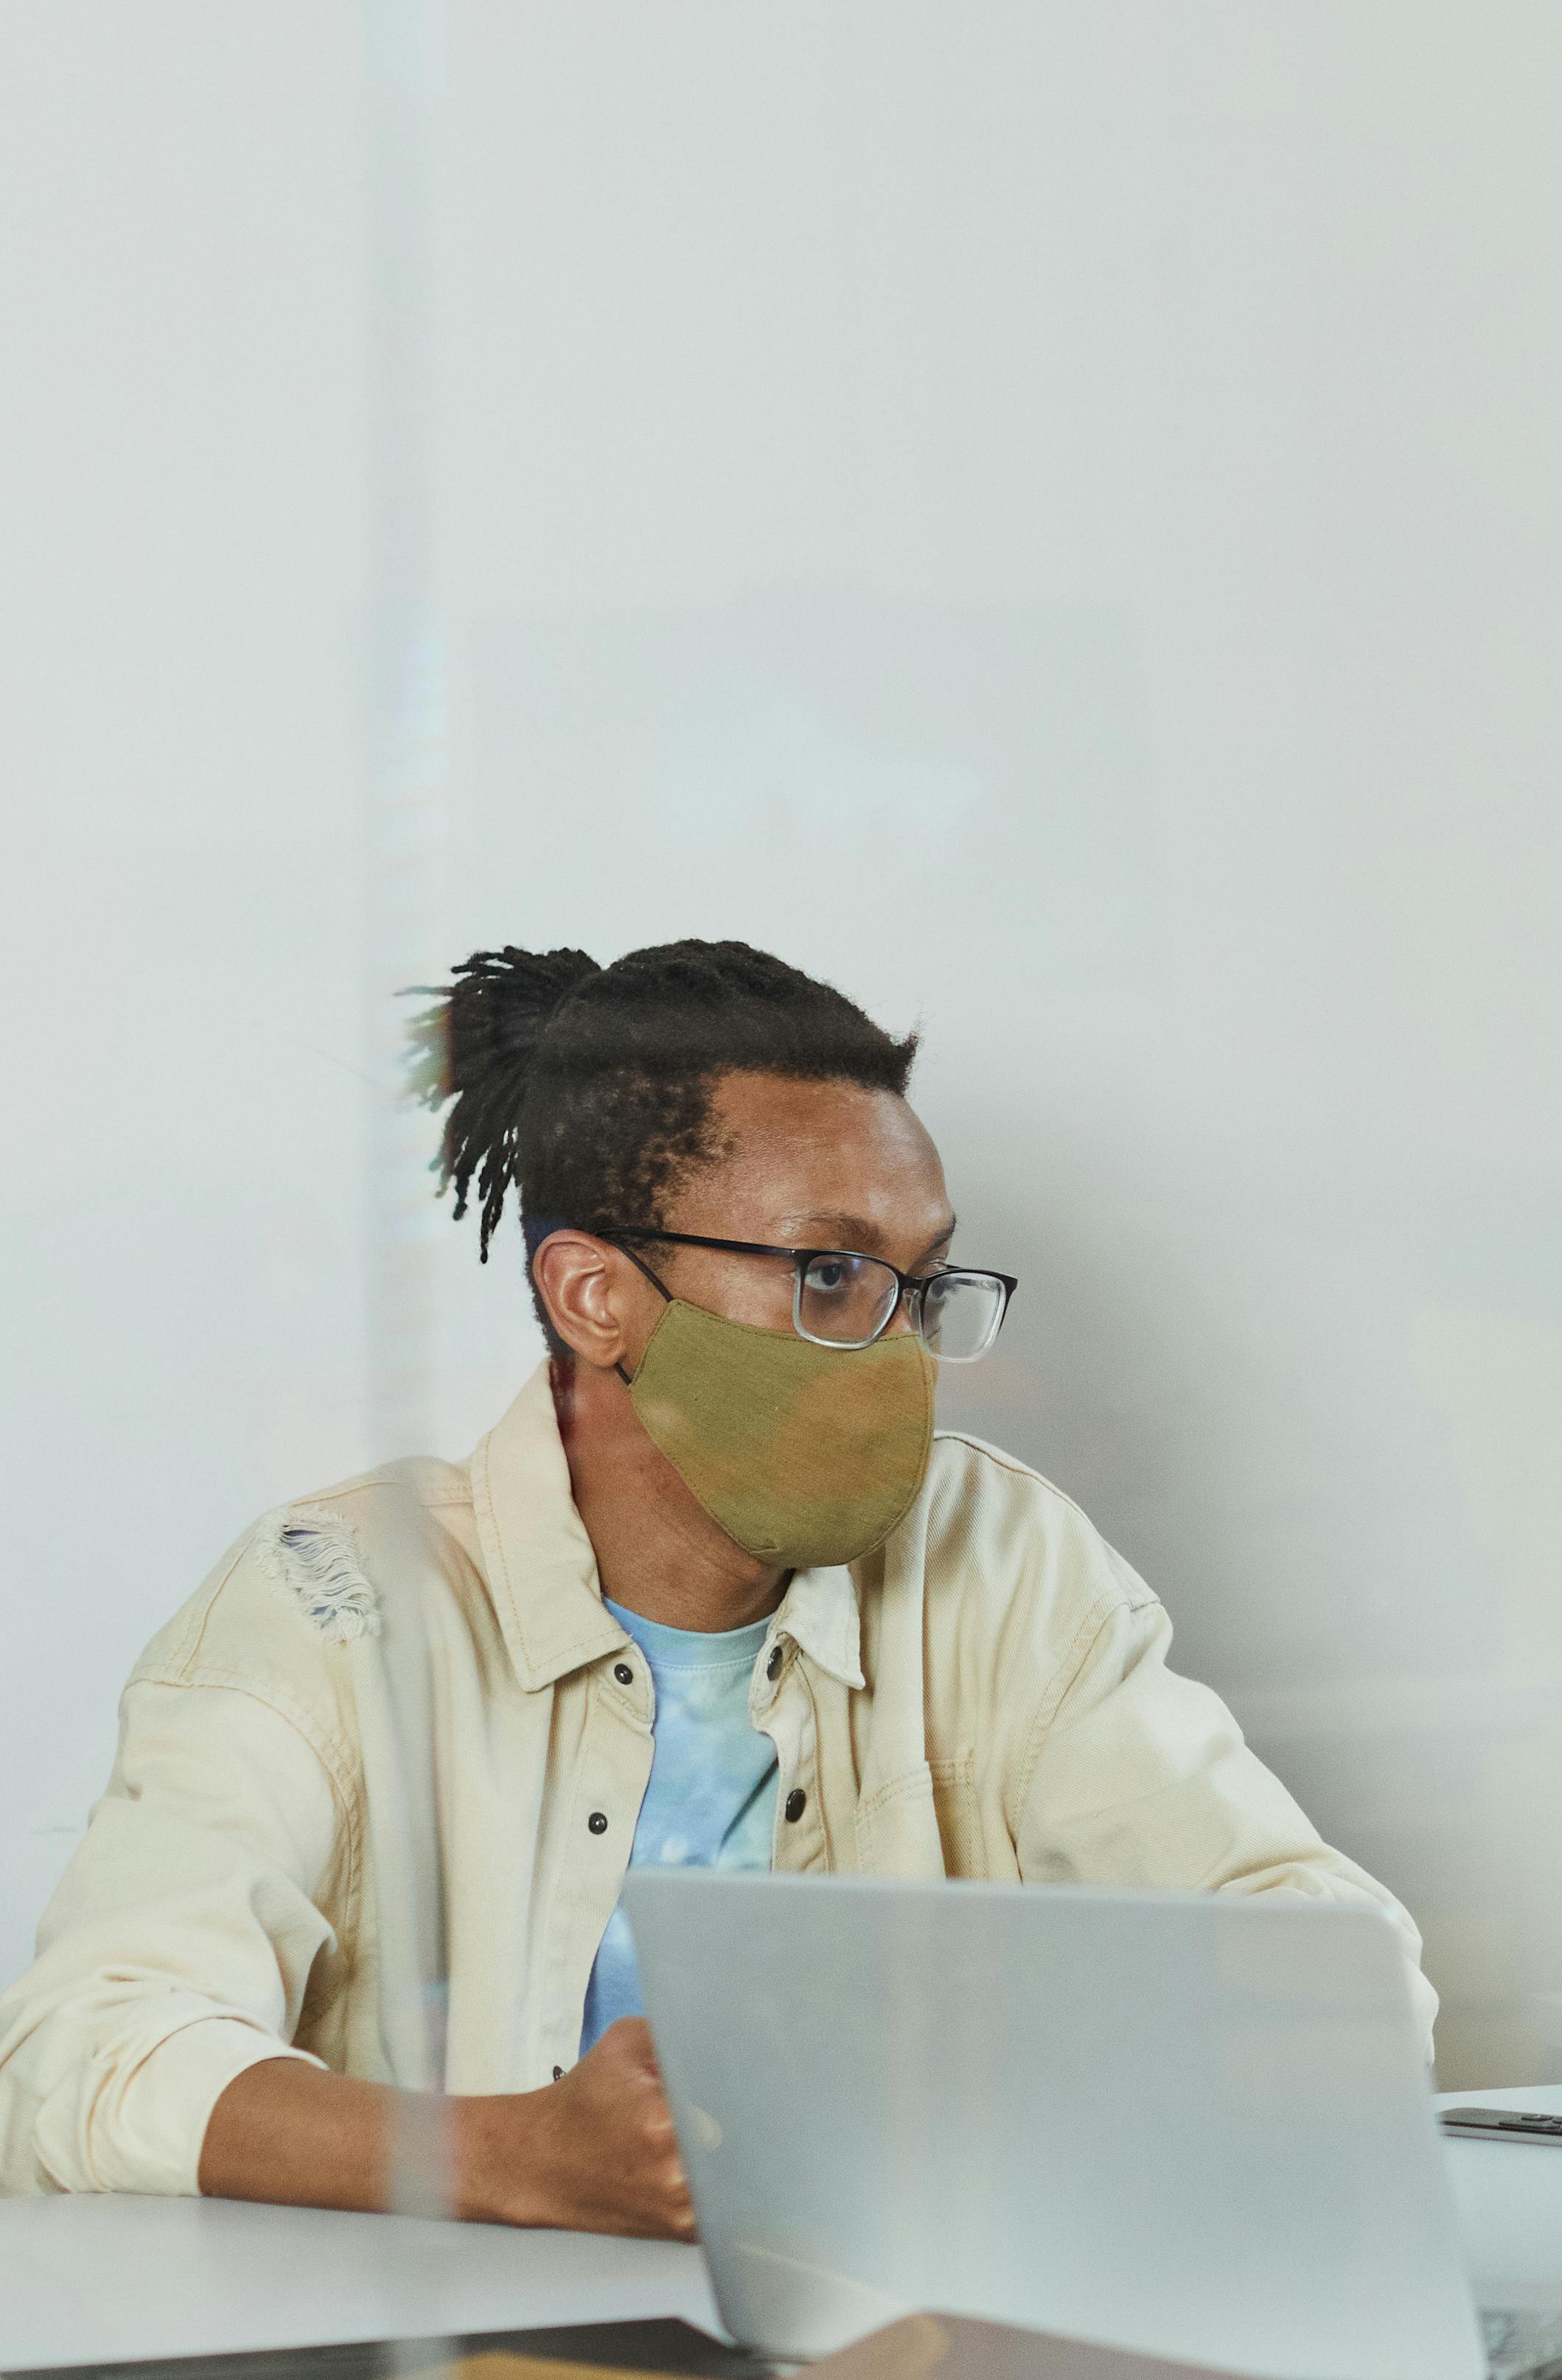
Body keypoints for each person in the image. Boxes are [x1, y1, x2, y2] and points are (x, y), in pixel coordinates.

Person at [0, 940, 1427, 2237]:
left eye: (920, 1283)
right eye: (826, 1273)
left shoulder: (998, 1553)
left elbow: (1336, 1979)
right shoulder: (339, 1595)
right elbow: (83, 2054)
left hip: (892, 2365)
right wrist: (508, 2156)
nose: (897, 1350)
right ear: (596, 1298)